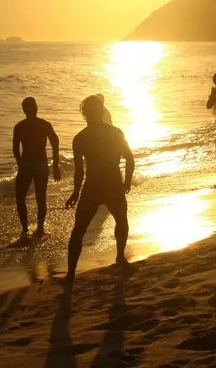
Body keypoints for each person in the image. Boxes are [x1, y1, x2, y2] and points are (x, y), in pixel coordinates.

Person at [64, 95, 135, 282]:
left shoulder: (82, 138)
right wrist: (75, 192)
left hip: (100, 186)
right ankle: (73, 271)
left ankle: (73, 273)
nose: (91, 114)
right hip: (102, 185)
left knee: (82, 229)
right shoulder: (111, 133)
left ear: (86, 113)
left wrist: (127, 182)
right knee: (82, 229)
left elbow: (129, 158)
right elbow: (129, 158)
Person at [12, 97, 61, 236]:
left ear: (25, 110)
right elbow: (55, 145)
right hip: (38, 165)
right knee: (40, 198)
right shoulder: (44, 125)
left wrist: (20, 164)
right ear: (36, 108)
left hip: (28, 165)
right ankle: (38, 229)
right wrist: (55, 166)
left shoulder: (20, 126)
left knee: (22, 198)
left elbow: (15, 149)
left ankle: (26, 229)